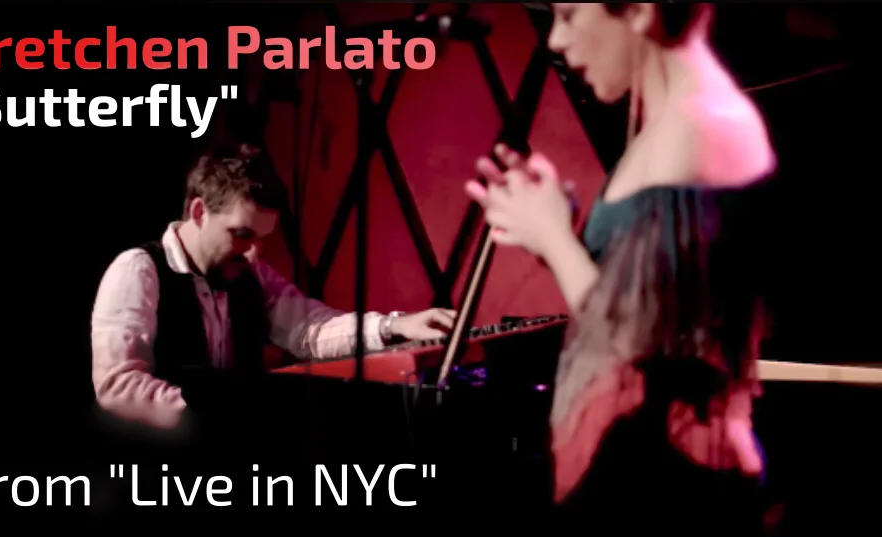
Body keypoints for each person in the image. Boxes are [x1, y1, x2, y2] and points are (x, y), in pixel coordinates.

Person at [467, 3, 776, 532]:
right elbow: (653, 302)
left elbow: (644, 342)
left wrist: (555, 239)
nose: (555, 41)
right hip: (642, 474)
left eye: (569, 15)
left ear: (637, 10)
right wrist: (552, 233)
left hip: (666, 489)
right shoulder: (673, 122)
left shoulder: (697, 128)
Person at [91, 142, 455, 436]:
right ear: (200, 212)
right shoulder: (139, 270)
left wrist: (395, 326)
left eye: (263, 239)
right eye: (242, 234)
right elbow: (118, 386)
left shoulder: (253, 275)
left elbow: (312, 331)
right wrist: (210, 415)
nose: (254, 253)